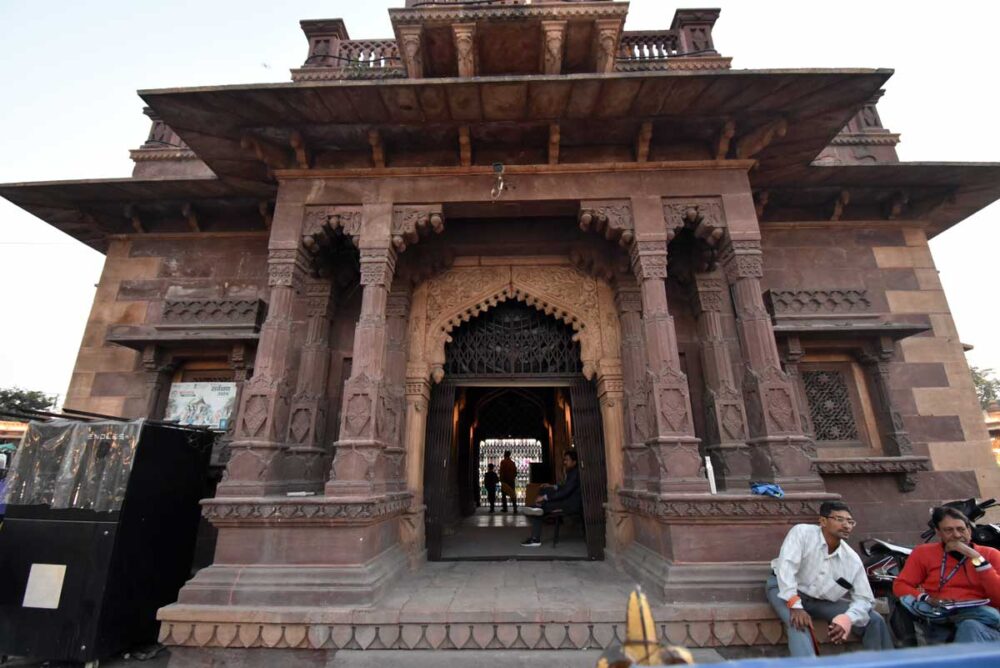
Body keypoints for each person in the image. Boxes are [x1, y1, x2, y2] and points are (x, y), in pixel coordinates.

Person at [766, 500, 893, 657]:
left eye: (850, 522)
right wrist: (795, 606)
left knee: (874, 620)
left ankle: (885, 662)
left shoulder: (852, 559)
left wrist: (847, 618)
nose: (846, 525)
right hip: (784, 590)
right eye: (840, 519)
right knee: (799, 623)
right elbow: (786, 569)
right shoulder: (802, 533)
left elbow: (865, 599)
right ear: (823, 521)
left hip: (820, 601)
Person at [893, 506, 1000, 644]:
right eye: (949, 530)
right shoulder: (923, 553)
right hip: (940, 616)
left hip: (983, 620)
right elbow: (900, 586)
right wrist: (926, 598)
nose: (957, 535)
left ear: (969, 530)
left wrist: (977, 559)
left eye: (961, 529)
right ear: (938, 532)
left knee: (970, 626)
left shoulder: (990, 554)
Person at [520, 450, 582, 547]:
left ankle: (535, 538)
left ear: (574, 462)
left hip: (570, 504)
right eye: (564, 460)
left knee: (539, 509)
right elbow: (565, 487)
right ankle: (536, 506)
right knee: (544, 489)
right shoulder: (572, 472)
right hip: (567, 500)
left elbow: (565, 492)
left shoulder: (575, 473)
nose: (565, 462)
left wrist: (545, 497)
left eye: (567, 460)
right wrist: (553, 486)